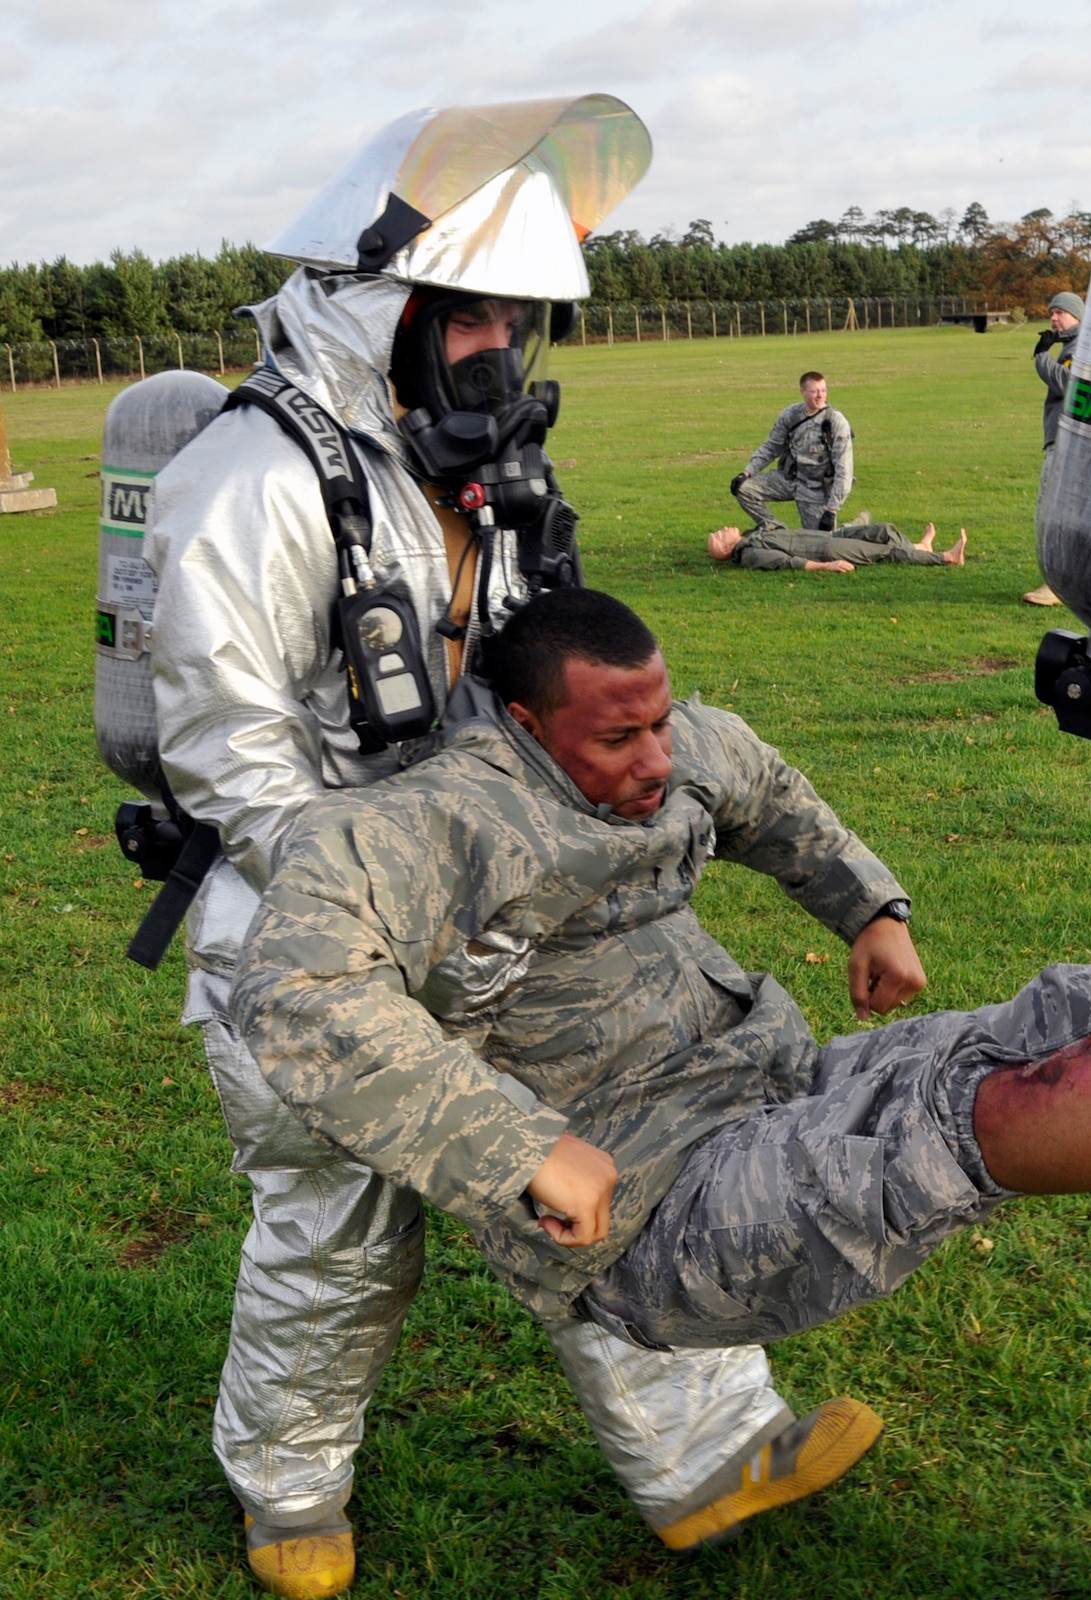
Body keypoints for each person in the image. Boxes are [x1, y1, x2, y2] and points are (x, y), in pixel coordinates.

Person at [142, 99, 836, 1600]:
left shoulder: (474, 478)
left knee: (603, 1178)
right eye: (469, 321)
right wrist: (398, 885)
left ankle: (711, 1460)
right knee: (341, 1233)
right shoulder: (250, 481)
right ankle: (287, 1495)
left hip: (499, 932)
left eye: (514, 326)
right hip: (313, 945)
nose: (495, 356)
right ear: (380, 307)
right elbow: (225, 742)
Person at [229, 588, 1091, 1548]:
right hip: (647, 1198)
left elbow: (763, 791)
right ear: (524, 725)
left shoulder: (676, 751)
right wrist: (522, 1149)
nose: (653, 760)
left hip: (768, 1085)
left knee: (1056, 1019)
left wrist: (866, 904)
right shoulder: (430, 822)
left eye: (660, 722)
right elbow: (293, 989)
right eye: (616, 737)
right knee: (967, 1120)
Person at [732, 372, 854, 532]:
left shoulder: (835, 422)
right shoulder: (790, 415)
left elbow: (844, 470)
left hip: (816, 488)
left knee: (822, 546)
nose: (820, 396)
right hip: (790, 479)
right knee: (744, 489)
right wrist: (747, 472)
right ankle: (776, 530)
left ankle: (853, 528)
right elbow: (771, 447)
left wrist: (832, 510)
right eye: (814, 391)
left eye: (823, 390)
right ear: (802, 392)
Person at [1024, 290, 1083, 607]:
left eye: (1060, 312)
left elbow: (1069, 383)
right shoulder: (1073, 346)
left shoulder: (1080, 347)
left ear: (1077, 315)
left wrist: (1041, 358)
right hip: (1068, 441)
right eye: (1051, 313)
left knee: (1051, 512)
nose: (1054, 318)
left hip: (1066, 442)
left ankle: (1056, 585)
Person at [707, 519, 966, 572]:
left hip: (829, 537)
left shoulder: (754, 534)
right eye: (719, 536)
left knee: (884, 530)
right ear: (726, 550)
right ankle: (946, 557)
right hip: (828, 551)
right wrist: (826, 566)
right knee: (887, 553)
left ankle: (921, 548)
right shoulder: (750, 553)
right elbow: (787, 562)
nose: (722, 529)